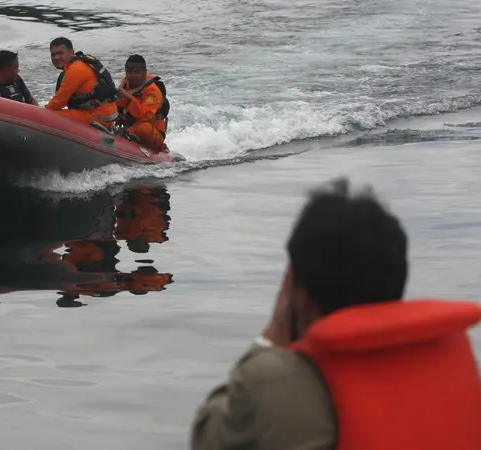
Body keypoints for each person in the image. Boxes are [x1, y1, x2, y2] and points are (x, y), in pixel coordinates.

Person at [190, 177, 481, 450]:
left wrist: (270, 339)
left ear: (299, 293)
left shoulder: (276, 377)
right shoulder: (451, 353)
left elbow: (207, 437)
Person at [45, 37, 119, 131]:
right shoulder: (80, 63)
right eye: (53, 55)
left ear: (71, 52)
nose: (56, 57)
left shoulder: (75, 70)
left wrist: (40, 113)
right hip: (105, 112)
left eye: (60, 53)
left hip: (99, 116)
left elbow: (56, 103)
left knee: (51, 115)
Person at [115, 55, 169, 152]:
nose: (133, 75)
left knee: (142, 128)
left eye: (137, 72)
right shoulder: (125, 83)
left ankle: (160, 147)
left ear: (144, 72)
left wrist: (130, 99)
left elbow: (145, 115)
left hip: (152, 131)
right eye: (129, 72)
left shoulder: (152, 91)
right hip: (130, 125)